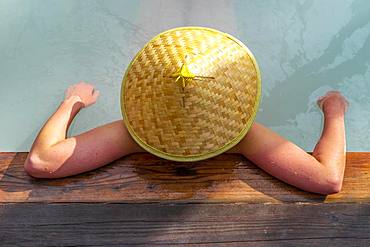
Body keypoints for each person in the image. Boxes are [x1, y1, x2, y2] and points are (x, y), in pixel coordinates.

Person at [24, 81, 349, 195]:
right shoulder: (239, 134)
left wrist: (73, 102)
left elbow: (40, 161)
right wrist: (334, 111)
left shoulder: (136, 132)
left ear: (148, 93)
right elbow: (327, 178)